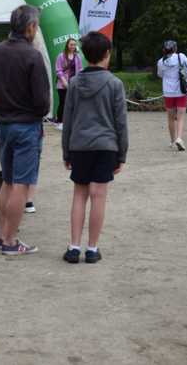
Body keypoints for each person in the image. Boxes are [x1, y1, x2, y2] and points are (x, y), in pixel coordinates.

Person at [61, 32, 128, 264]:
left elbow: (67, 120)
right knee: (98, 196)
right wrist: (122, 154)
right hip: (106, 147)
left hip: (79, 146)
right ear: (107, 54)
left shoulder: (74, 83)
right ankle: (92, 249)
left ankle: (73, 247)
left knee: (79, 195)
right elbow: (121, 123)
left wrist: (66, 151)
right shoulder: (115, 84)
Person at [0, 5, 49, 255]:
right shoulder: (32, 56)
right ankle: (11, 241)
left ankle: (3, 235)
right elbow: (43, 102)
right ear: (30, 27)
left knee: (8, 182)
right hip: (26, 126)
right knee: (22, 185)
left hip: (4, 125)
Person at [157, 40, 187, 151]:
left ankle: (173, 141)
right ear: (175, 48)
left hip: (168, 92)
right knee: (181, 116)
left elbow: (160, 75)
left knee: (170, 117)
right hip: (181, 91)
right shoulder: (181, 57)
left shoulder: (160, 62)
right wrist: (186, 77)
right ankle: (179, 138)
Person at [54, 38, 83, 130]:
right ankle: (60, 122)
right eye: (71, 44)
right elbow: (58, 70)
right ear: (67, 45)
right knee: (63, 102)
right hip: (62, 84)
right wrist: (64, 82)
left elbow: (80, 69)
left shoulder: (77, 57)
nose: (73, 47)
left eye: (74, 45)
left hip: (74, 83)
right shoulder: (61, 56)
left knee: (73, 103)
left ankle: (71, 121)